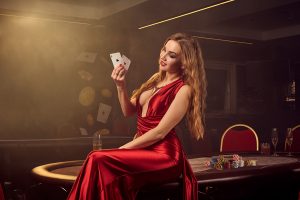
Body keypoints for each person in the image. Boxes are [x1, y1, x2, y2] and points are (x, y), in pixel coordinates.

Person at [67, 32, 207, 200]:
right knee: (96, 159)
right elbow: (128, 111)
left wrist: (122, 149)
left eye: (172, 55)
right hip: (143, 150)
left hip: (165, 155)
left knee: (97, 157)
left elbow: (160, 132)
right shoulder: (154, 80)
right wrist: (120, 86)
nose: (163, 56)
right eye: (164, 50)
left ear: (184, 63)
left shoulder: (184, 89)